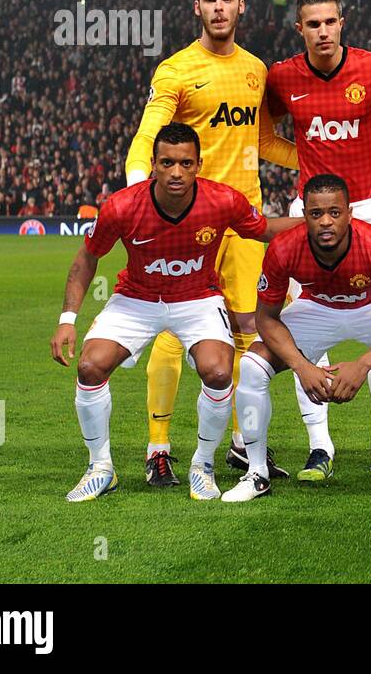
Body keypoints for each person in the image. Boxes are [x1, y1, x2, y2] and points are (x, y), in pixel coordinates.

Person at [50, 123, 299, 502]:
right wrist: (67, 320)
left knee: (218, 372)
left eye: (185, 163)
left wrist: (318, 221)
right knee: (90, 366)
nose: (176, 172)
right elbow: (88, 257)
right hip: (136, 298)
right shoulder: (122, 206)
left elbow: (263, 229)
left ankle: (203, 464)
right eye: (167, 163)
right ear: (153, 164)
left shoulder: (222, 200)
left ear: (199, 164)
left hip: (198, 298)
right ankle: (100, 468)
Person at [124, 0, 299, 487]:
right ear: (196, 7)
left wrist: (319, 162)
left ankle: (243, 445)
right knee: (173, 331)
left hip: (245, 222)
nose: (219, 7)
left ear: (241, 6)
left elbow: (264, 142)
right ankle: (158, 448)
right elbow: (149, 134)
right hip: (188, 222)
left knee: (250, 330)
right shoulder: (176, 70)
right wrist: (136, 186)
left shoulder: (256, 70)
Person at [265, 0, 371, 486]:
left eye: (329, 22)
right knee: (306, 328)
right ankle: (320, 446)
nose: (323, 31)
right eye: (313, 24)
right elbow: (263, 133)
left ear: (342, 22)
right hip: (310, 212)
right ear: (300, 29)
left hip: (370, 208)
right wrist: (303, 158)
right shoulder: (282, 76)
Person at [224, 173, 371, 506]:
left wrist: (363, 364)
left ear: (349, 214)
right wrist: (301, 366)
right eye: (316, 213)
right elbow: (266, 319)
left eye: (334, 212)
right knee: (252, 366)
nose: (326, 221)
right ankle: (256, 473)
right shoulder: (283, 248)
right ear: (304, 215)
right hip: (316, 308)